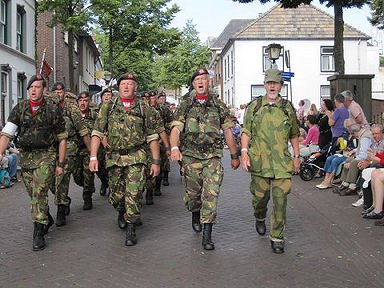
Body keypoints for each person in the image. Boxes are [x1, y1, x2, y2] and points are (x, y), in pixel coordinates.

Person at [170, 68, 240, 251]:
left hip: (212, 157)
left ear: (209, 82)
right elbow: (176, 129)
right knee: (193, 196)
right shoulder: (185, 104)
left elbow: (227, 131)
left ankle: (207, 234)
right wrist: (175, 148)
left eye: (204, 79)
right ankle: (195, 212)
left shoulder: (218, 105)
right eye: (197, 79)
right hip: (191, 156)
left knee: (211, 193)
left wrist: (234, 155)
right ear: (193, 84)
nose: (201, 82)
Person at [89, 73, 161, 246]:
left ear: (135, 87)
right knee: (116, 195)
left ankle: (131, 227)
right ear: (118, 88)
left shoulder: (144, 108)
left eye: (130, 84)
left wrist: (156, 161)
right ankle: (121, 211)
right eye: (123, 84)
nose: (127, 87)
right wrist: (93, 156)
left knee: (134, 192)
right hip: (114, 158)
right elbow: (97, 132)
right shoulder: (108, 107)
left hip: (137, 156)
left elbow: (152, 136)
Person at [0, 74, 67, 250]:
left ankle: (38, 232)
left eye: (37, 87)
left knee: (40, 192)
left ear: (44, 90)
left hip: (47, 154)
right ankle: (45, 216)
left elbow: (62, 138)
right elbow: (7, 133)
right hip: (26, 157)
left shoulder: (52, 108)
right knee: (33, 193)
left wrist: (60, 163)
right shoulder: (20, 108)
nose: (33, 90)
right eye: (31, 87)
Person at [240, 68, 300, 254]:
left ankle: (277, 237)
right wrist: (244, 152)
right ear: (265, 85)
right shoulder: (255, 106)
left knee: (281, 201)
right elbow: (246, 131)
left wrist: (297, 156)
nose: (272, 86)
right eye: (269, 83)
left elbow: (294, 134)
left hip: (282, 163)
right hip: (260, 163)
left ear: (281, 86)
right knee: (260, 199)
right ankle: (259, 216)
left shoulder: (287, 108)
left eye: (276, 83)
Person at [51, 83, 90, 227]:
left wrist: (92, 153)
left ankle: (61, 209)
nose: (58, 94)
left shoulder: (71, 108)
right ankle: (64, 199)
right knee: (50, 181)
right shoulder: (48, 108)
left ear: (64, 93)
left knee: (62, 177)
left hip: (69, 146)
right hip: (51, 147)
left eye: (60, 91)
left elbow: (82, 130)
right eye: (55, 91)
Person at [334, 123, 372, 195]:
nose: (354, 136)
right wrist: (353, 151)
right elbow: (360, 148)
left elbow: (364, 154)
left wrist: (352, 161)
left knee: (353, 162)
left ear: (355, 132)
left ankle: (352, 186)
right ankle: (345, 183)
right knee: (348, 160)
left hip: (367, 158)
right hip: (364, 156)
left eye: (353, 134)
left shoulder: (364, 137)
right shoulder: (362, 135)